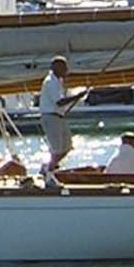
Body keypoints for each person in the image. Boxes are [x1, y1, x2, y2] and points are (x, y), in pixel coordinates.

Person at [38, 56, 82, 185]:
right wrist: (77, 97)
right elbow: (59, 102)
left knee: (67, 146)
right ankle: (48, 174)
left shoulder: (58, 82)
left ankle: (48, 167)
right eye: (64, 67)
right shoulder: (50, 81)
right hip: (51, 117)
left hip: (58, 117)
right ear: (56, 67)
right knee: (57, 149)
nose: (66, 70)